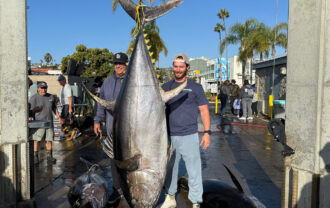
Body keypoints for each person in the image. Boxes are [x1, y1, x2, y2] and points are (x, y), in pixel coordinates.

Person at [161, 54, 211, 208]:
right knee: (170, 169)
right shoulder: (165, 87)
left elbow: (203, 110)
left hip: (189, 134)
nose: (178, 69)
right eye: (175, 66)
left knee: (194, 170)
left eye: (181, 66)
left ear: (187, 67)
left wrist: (207, 132)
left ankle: (196, 201)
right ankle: (170, 198)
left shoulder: (196, 87)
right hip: (169, 136)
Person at [93, 52, 128, 200]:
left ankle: (130, 186)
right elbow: (101, 104)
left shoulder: (132, 80)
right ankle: (117, 188)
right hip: (111, 129)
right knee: (114, 160)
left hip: (129, 131)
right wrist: (96, 121)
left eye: (121, 63)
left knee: (129, 159)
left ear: (126, 64)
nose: (118, 66)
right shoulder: (107, 82)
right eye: (116, 63)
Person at [29, 81, 61, 164]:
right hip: (39, 123)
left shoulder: (51, 97)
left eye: (45, 88)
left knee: (49, 140)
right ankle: (36, 157)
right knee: (37, 140)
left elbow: (54, 108)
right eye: (42, 88)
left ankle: (49, 157)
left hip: (49, 123)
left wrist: (59, 118)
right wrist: (33, 112)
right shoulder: (34, 98)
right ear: (38, 88)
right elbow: (29, 111)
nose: (44, 90)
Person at [58, 74, 74, 140]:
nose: (59, 82)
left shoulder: (67, 87)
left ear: (64, 80)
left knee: (65, 120)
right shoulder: (63, 87)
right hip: (64, 105)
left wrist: (70, 108)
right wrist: (60, 103)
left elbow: (69, 98)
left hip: (67, 105)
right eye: (59, 81)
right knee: (64, 120)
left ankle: (66, 133)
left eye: (60, 81)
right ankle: (65, 133)